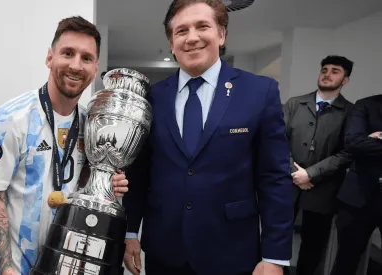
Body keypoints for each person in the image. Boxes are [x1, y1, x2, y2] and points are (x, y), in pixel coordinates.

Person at [122, 1, 294, 274]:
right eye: (181, 31)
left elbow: (275, 179)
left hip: (231, 250)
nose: (192, 37)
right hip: (164, 251)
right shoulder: (153, 98)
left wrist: (275, 255)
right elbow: (139, 172)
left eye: (202, 26)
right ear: (171, 42)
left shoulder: (259, 92)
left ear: (222, 34)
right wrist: (130, 231)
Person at [0, 16, 129, 275]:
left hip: (71, 266)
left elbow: (84, 185)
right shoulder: (11, 117)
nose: (76, 65)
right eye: (68, 53)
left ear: (95, 67)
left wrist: (106, 185)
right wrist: (6, 264)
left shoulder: (90, 124)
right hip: (19, 268)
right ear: (49, 58)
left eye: (86, 58)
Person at [282, 55, 354, 275]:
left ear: (345, 80)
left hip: (323, 189)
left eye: (335, 71)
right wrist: (296, 173)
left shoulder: (351, 112)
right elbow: (276, 141)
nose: (327, 74)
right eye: (324, 69)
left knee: (313, 243)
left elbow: (347, 152)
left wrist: (311, 174)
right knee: (278, 237)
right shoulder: (295, 103)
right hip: (286, 184)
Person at [330, 94, 382, 275]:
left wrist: (378, 137)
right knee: (345, 262)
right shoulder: (366, 105)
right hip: (358, 197)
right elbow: (353, 143)